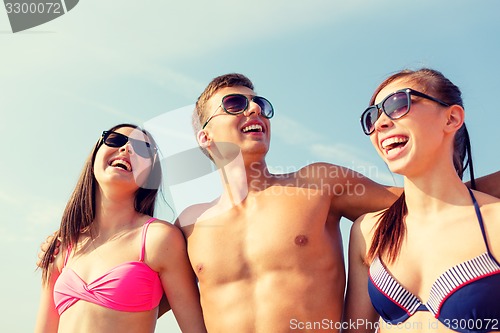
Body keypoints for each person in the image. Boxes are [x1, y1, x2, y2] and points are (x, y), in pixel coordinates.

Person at [38, 76, 500, 333]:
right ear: (205, 137)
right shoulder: (188, 227)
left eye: (260, 104)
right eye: (236, 104)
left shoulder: (319, 183)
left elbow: (425, 201)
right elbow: (128, 298)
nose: (255, 111)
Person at [343, 68, 500, 333]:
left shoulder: (494, 222)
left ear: (451, 118)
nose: (380, 123)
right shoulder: (367, 232)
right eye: (372, 117)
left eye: (398, 104)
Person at [35, 124, 206, 333]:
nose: (126, 149)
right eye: (115, 140)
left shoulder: (160, 238)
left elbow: (196, 329)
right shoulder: (63, 246)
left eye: (143, 149)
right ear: (95, 155)